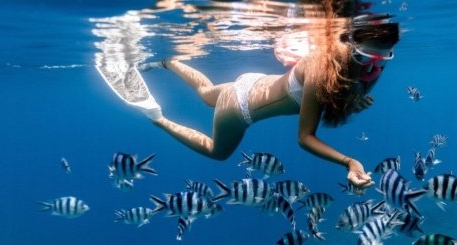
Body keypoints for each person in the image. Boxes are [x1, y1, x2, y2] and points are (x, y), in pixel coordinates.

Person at [138, 19, 399, 191]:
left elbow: (340, 92)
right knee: (217, 152)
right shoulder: (321, 69)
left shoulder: (362, 66)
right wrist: (349, 161)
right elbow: (305, 138)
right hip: (239, 107)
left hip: (252, 83)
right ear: (350, 44)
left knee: (207, 94)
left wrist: (353, 100)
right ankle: (157, 117)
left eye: (383, 58)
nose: (373, 65)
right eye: (366, 57)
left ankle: (168, 62)